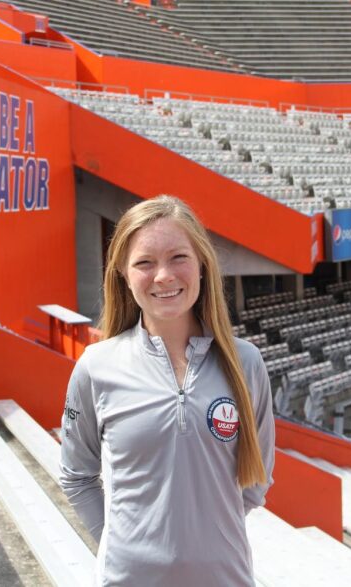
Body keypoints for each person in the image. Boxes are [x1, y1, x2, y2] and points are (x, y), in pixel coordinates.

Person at [59, 195, 275, 586]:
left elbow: (256, 483)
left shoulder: (247, 363)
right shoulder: (96, 366)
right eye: (144, 262)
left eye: (179, 257)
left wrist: (202, 541)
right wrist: (126, 544)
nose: (163, 276)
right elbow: (76, 477)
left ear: (202, 265)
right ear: (123, 273)